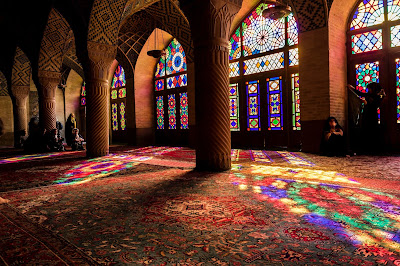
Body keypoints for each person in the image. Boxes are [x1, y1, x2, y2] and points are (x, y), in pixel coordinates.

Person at [347, 83, 386, 153]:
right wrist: (352, 88)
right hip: (366, 115)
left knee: (372, 131)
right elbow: (361, 94)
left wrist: (367, 103)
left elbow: (375, 106)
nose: (369, 90)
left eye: (370, 88)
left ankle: (372, 149)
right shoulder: (368, 95)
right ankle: (365, 149)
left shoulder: (378, 97)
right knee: (365, 129)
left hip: (372, 116)